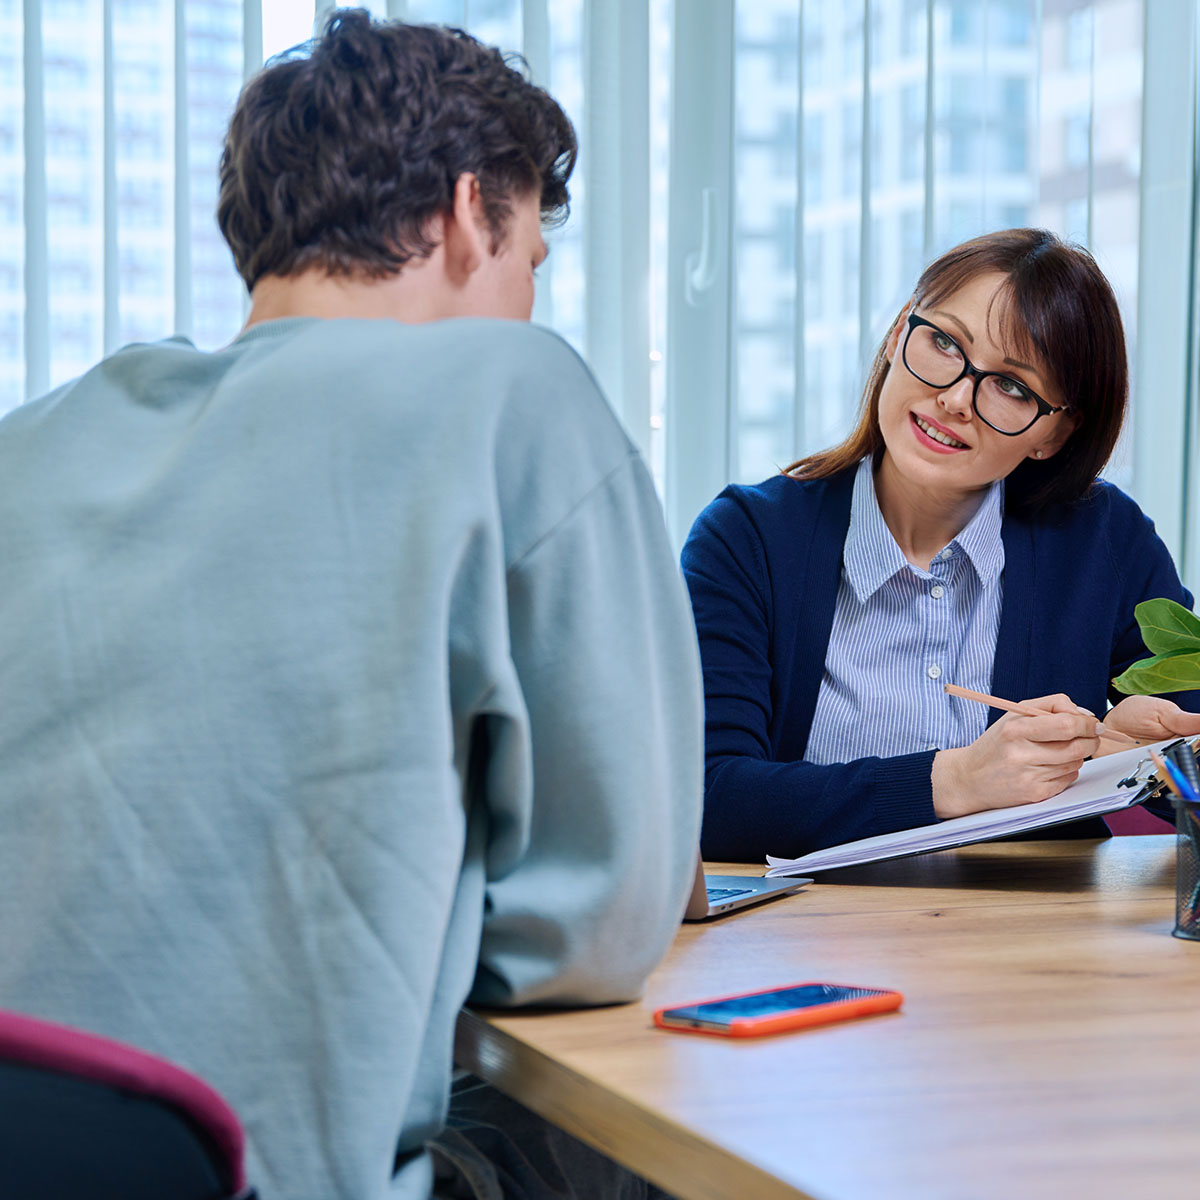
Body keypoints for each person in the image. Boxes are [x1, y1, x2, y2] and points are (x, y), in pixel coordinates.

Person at [0, 12, 702, 1200]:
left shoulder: (35, 443)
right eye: (532, 253)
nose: (531, 294)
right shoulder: (511, 393)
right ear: (471, 208)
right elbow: (598, 923)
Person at [682, 228, 1200, 863]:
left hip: (1033, 947)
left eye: (1012, 386)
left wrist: (1147, 767)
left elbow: (1187, 768)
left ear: (1054, 433)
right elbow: (704, 796)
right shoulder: (746, 539)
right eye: (944, 342)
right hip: (807, 946)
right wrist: (954, 781)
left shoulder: (1106, 543)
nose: (955, 398)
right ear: (902, 330)